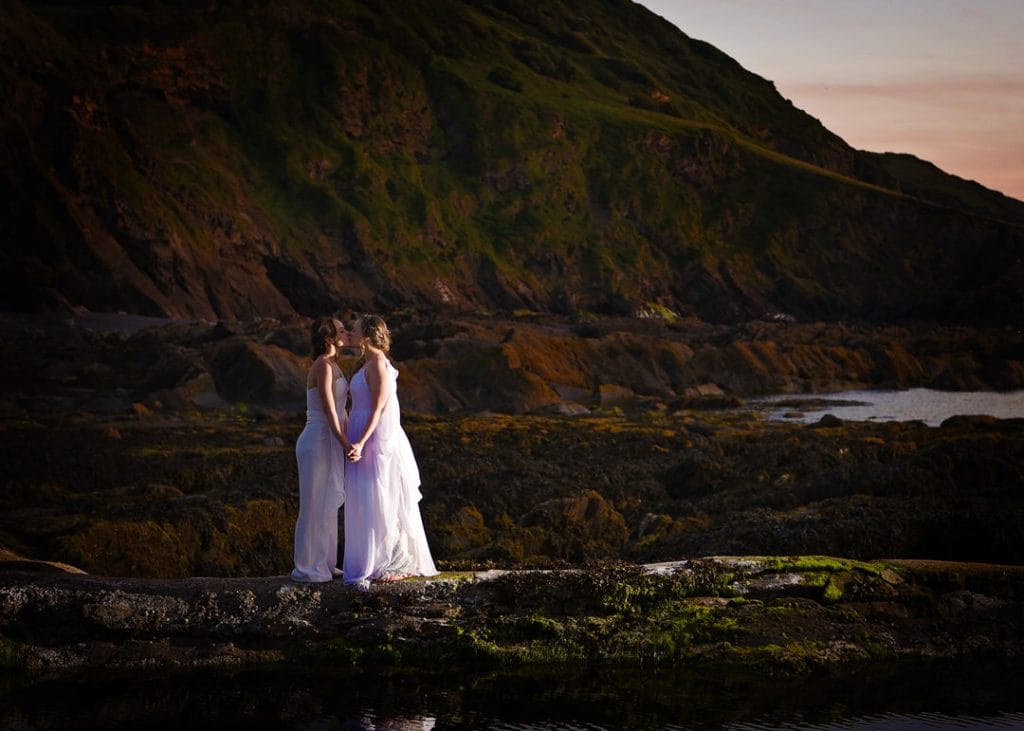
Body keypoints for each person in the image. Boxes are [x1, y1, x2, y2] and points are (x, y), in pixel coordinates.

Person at [342, 314, 438, 588]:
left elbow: (380, 408)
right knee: (366, 498)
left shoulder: (378, 365)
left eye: (356, 329)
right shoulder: (367, 363)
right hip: (363, 431)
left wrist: (361, 441)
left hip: (375, 438)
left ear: (368, 334)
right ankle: (371, 559)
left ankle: (395, 559)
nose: (352, 331)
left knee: (382, 496)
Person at [291, 317, 350, 582]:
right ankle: (306, 567)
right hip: (317, 440)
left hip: (330, 441)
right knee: (313, 503)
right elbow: (328, 410)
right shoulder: (323, 366)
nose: (346, 332)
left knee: (328, 504)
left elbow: (340, 410)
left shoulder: (335, 365)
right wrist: (345, 442)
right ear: (329, 340)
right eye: (341, 331)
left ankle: (325, 562)